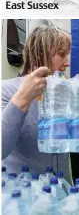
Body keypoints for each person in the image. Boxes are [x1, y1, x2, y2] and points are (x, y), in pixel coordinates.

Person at [2, 25, 72, 178]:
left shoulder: (62, 94)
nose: (67, 63)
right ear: (41, 54)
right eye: (61, 54)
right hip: (23, 196)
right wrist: (23, 97)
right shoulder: (5, 90)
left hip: (61, 193)